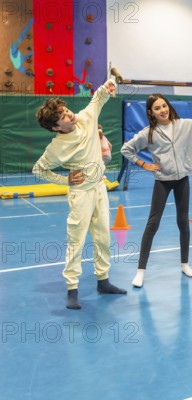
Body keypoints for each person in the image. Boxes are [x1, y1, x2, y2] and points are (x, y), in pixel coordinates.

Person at [121, 89, 192, 288]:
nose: (162, 110)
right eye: (157, 108)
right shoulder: (148, 133)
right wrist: (144, 165)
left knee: (183, 222)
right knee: (153, 224)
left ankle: (185, 264)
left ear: (168, 106)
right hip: (162, 182)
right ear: (151, 112)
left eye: (164, 106)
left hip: (182, 180)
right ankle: (140, 271)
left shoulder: (185, 125)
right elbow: (126, 149)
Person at [32, 78, 127, 309]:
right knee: (76, 241)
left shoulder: (85, 118)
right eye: (63, 117)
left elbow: (98, 99)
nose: (69, 115)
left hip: (100, 189)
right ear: (56, 127)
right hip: (81, 195)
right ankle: (72, 288)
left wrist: (108, 86)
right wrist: (64, 179)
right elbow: (39, 169)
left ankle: (103, 281)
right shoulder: (56, 148)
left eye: (66, 110)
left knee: (103, 236)